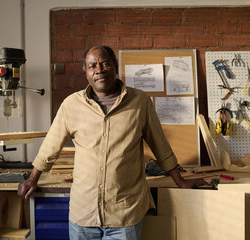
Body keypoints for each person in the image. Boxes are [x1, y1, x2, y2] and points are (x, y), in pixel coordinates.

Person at [17, 46, 207, 239]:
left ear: (115, 67)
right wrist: (33, 178)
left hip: (124, 215)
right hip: (84, 214)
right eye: (92, 66)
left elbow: (161, 146)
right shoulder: (71, 105)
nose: (99, 69)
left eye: (105, 63)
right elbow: (50, 147)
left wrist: (179, 180)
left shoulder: (140, 102)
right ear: (86, 73)